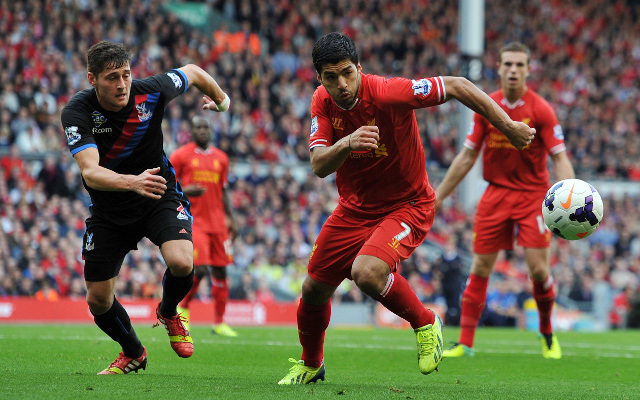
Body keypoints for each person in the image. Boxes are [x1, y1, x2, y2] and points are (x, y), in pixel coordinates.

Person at [278, 32, 535, 385]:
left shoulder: (387, 92)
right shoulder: (322, 101)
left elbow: (457, 85)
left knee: (366, 272)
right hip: (353, 210)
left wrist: (507, 125)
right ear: (319, 78)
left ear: (359, 68)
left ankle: (426, 323)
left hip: (407, 204)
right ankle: (312, 364)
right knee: (312, 290)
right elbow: (319, 165)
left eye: (347, 73)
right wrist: (349, 143)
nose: (341, 84)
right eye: (331, 77)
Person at [60, 41, 231, 375]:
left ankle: (169, 312)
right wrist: (131, 182)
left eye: (125, 74)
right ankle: (134, 351)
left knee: (182, 261)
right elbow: (90, 171)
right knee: (97, 300)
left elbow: (194, 71)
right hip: (110, 210)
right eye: (112, 78)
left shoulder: (151, 90)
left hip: (158, 194)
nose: (122, 84)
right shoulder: (77, 112)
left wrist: (223, 102)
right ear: (92, 78)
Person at [435, 42, 575, 360]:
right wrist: (440, 195)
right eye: (507, 64)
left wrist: (568, 192)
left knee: (539, 271)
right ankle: (466, 343)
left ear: (528, 69)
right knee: (481, 266)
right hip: (495, 194)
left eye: (519, 65)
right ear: (497, 68)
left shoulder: (541, 110)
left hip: (532, 197)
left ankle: (547, 334)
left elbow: (560, 157)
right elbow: (467, 155)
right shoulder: (487, 106)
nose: (513, 70)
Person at [170, 115, 238, 337]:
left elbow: (224, 190)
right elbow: (169, 184)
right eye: (198, 127)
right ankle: (183, 308)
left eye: (205, 127)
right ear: (191, 130)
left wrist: (231, 218)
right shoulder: (180, 155)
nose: (202, 130)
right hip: (194, 221)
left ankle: (219, 322)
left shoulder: (221, 158)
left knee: (221, 270)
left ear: (210, 130)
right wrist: (186, 190)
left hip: (218, 223)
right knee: (199, 268)